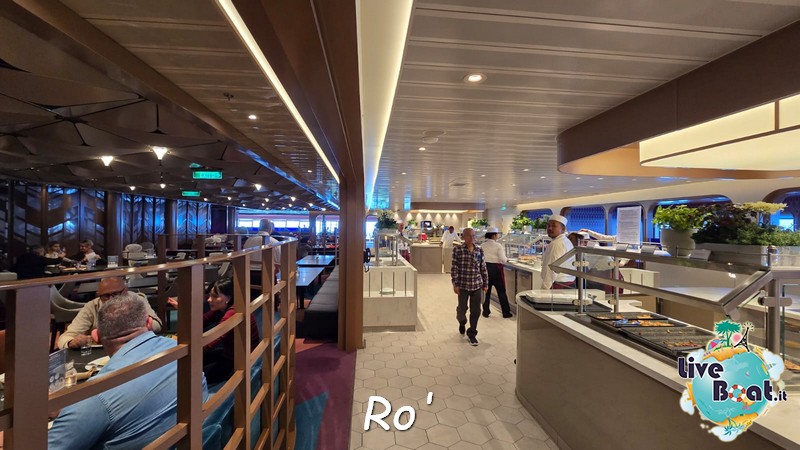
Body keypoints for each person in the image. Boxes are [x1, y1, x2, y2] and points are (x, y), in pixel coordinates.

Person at [48, 292, 208, 449]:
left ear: (96, 336)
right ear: (148, 323)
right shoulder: (183, 352)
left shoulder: (97, 395)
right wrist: (71, 411)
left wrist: (74, 411)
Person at [168, 278, 260, 383]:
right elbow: (200, 322)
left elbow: (213, 340)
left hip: (242, 359)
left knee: (201, 378)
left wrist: (185, 349)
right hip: (229, 352)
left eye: (215, 296)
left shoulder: (233, 313)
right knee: (195, 362)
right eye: (210, 296)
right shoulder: (221, 308)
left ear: (228, 298)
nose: (209, 300)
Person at [57, 277, 162, 350]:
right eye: (106, 296)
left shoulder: (137, 299)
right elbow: (64, 338)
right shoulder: (91, 307)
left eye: (116, 294)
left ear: (126, 290)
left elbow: (157, 325)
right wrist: (71, 342)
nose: (111, 300)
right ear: (98, 295)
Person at [451, 227, 488, 346]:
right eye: (469, 236)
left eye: (473, 236)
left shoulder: (479, 250)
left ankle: (472, 333)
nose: (472, 238)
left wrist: (485, 283)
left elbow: (483, 267)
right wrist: (455, 284)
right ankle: (462, 322)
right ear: (463, 237)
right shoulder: (457, 250)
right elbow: (454, 268)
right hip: (463, 285)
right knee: (462, 310)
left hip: (476, 284)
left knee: (476, 311)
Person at [481, 227, 512, 318]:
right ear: (494, 235)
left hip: (485, 268)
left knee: (486, 291)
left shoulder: (482, 245)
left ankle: (485, 312)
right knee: (501, 291)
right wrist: (507, 259)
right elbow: (503, 259)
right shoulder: (498, 246)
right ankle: (506, 312)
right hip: (496, 269)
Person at [541, 214, 575, 289]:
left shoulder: (557, 244)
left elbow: (552, 269)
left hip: (559, 284)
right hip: (565, 283)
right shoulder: (563, 241)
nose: (550, 228)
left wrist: (544, 288)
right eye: (548, 225)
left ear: (563, 229)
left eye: (554, 226)